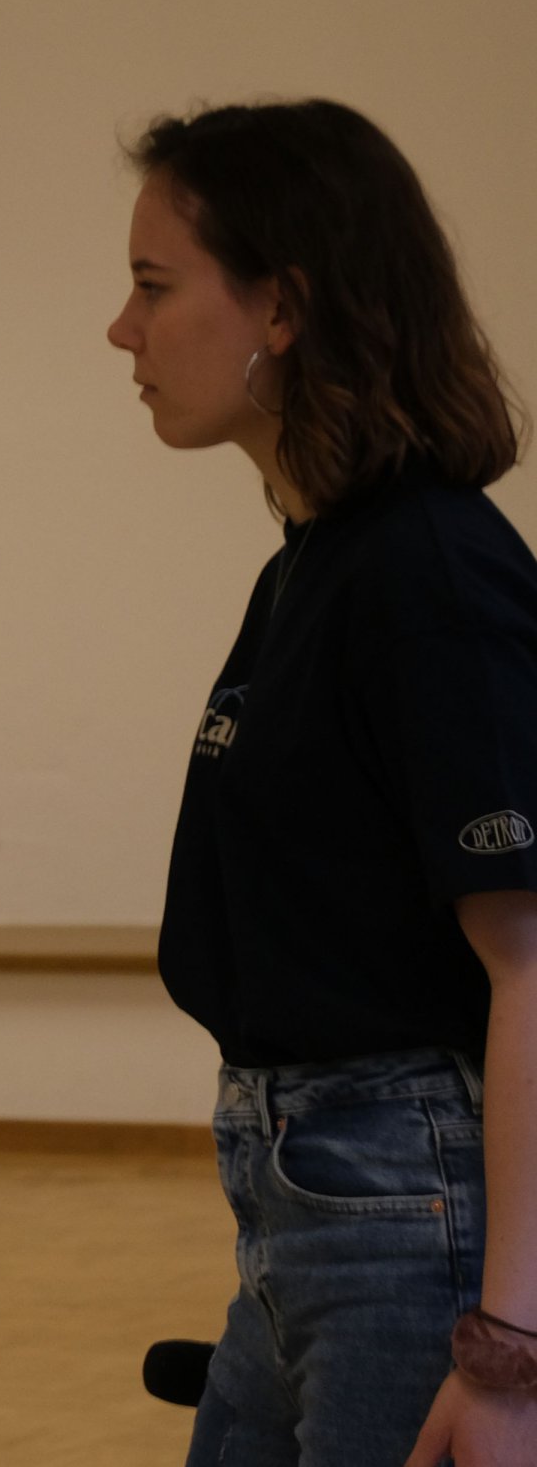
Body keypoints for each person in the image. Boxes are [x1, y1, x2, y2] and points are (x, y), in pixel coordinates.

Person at [107, 100, 537, 1465]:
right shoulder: (311, 568)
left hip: (402, 1209)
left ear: (283, 308)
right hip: (301, 1200)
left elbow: (534, 962)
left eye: (154, 286)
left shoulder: (430, 571)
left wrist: (510, 1353)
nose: (122, 330)